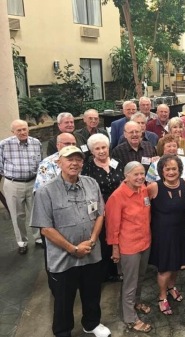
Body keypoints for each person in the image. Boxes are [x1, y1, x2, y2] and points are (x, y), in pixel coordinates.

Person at [31, 146, 111, 337]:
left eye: (78, 159)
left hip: (91, 253)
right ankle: (62, 330)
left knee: (92, 292)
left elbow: (100, 214)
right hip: (63, 257)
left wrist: (91, 241)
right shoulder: (46, 191)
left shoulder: (91, 183)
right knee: (64, 299)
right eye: (69, 159)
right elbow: (46, 229)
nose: (74, 163)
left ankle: (91, 323)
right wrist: (73, 248)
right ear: (59, 163)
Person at [105, 162, 152, 333]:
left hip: (145, 242)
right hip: (128, 246)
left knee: (140, 277)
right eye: (135, 174)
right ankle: (130, 318)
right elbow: (112, 226)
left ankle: (136, 302)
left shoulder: (144, 189)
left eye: (142, 173)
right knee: (130, 283)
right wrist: (115, 248)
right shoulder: (117, 197)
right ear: (126, 176)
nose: (140, 177)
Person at [147, 155, 185, 315]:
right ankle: (162, 296)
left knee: (177, 264)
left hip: (180, 232)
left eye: (174, 169)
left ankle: (172, 287)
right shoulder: (153, 187)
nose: (171, 172)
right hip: (163, 234)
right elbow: (143, 209)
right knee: (165, 268)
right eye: (167, 169)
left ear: (179, 170)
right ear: (161, 171)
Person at [82, 133, 124, 282]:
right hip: (100, 207)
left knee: (117, 237)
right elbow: (85, 190)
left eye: (104, 147)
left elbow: (124, 182)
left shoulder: (117, 162)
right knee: (103, 239)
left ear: (108, 148)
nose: (101, 151)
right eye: (97, 148)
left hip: (120, 206)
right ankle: (104, 272)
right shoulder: (87, 167)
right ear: (92, 151)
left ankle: (116, 269)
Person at [1, 119, 42, 254]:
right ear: (13, 132)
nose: (22, 132)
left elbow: (40, 163)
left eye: (24, 129)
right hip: (13, 183)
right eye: (19, 130)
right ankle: (22, 242)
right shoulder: (4, 145)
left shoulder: (36, 143)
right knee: (17, 215)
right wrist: (12, 175)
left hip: (33, 182)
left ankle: (38, 238)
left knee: (36, 212)